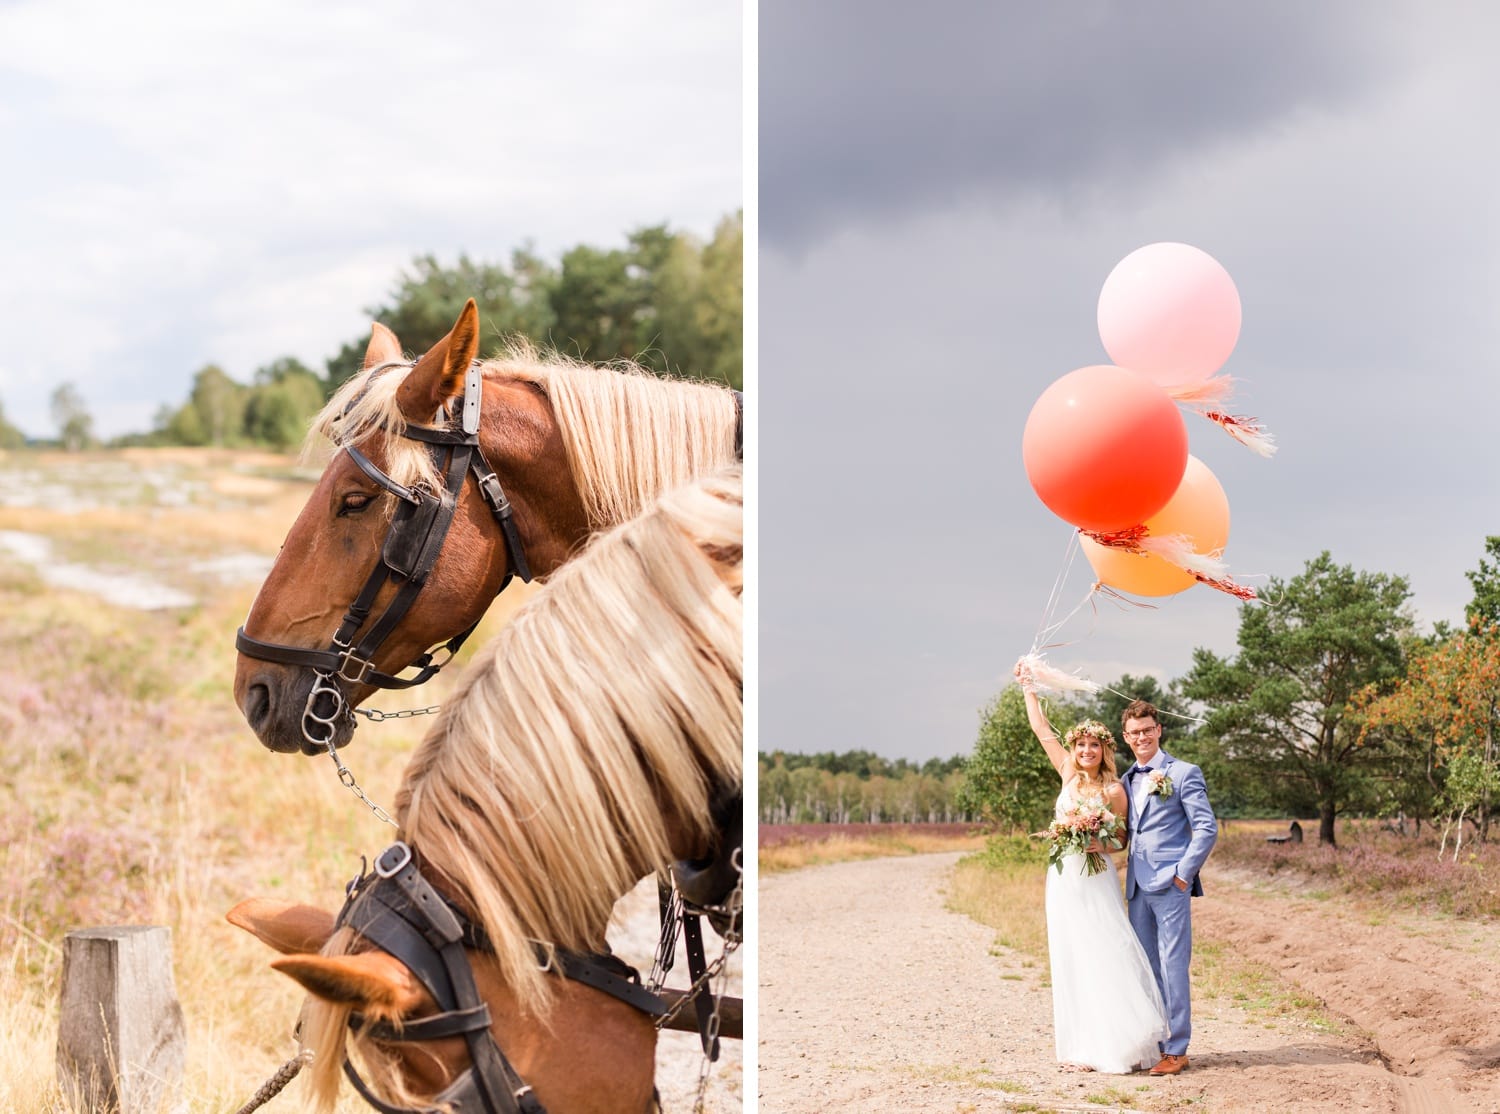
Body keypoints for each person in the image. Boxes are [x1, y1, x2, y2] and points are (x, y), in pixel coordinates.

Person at [1018, 670, 1168, 1074]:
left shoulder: (1115, 789)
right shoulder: (1066, 773)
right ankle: (1082, 1047)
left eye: (1094, 745)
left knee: (1106, 948)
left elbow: (1121, 841)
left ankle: (1119, 1040)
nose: (1086, 750)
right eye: (1081, 744)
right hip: (1063, 878)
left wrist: (1095, 843)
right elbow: (1040, 729)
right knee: (1070, 954)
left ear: (1105, 749)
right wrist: (1029, 687)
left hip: (1096, 876)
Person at [1120, 699, 1217, 1076]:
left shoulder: (1184, 772)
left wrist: (1183, 875)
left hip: (1170, 885)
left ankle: (1177, 1048)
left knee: (1173, 965)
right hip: (1137, 888)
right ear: (1126, 738)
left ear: (1159, 730)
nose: (1142, 737)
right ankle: (1155, 1044)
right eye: (1134, 733)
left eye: (1147, 730)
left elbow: (1206, 828)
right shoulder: (1128, 778)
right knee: (1146, 967)